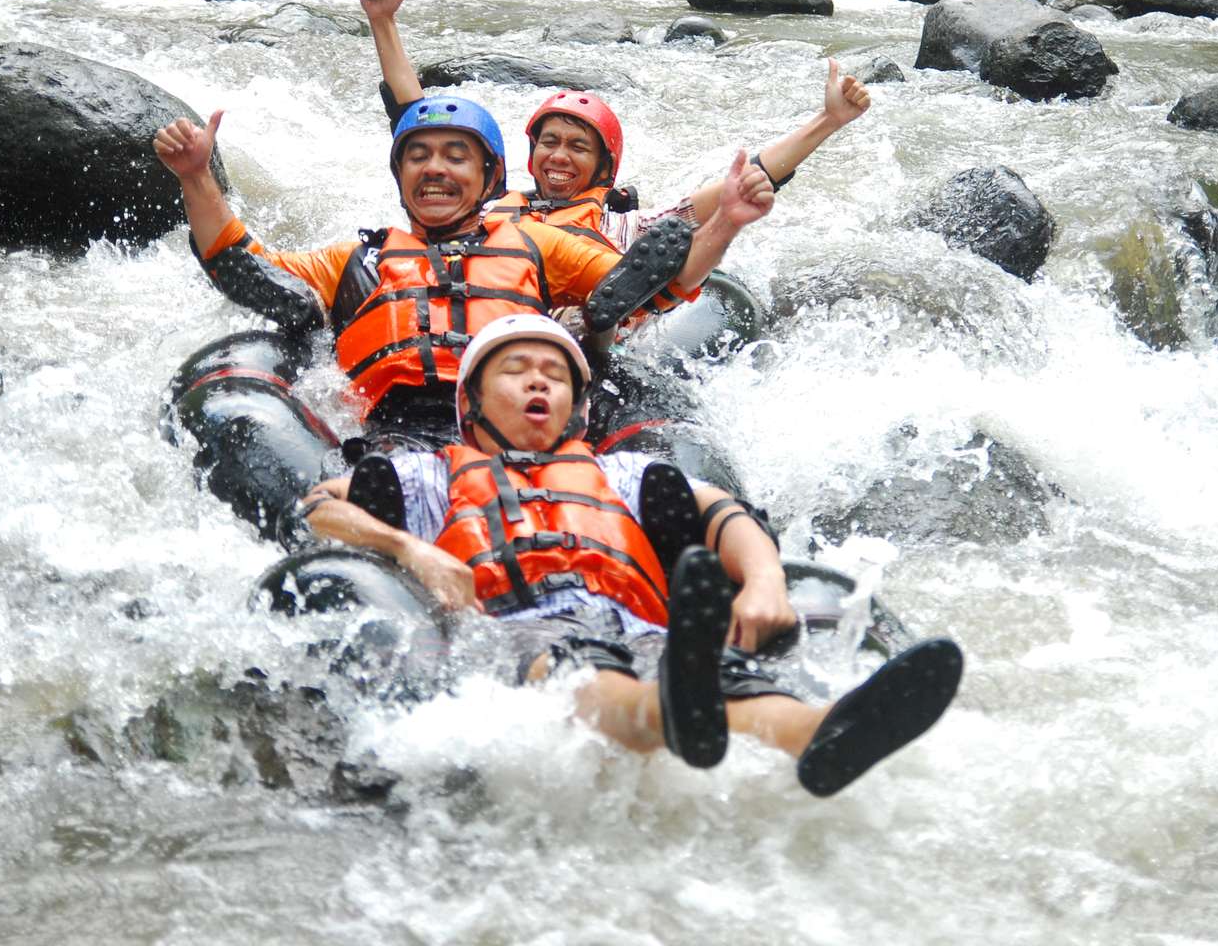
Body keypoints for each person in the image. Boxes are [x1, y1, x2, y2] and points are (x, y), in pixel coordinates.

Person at [287, 315, 964, 796]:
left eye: (554, 375)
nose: (539, 384)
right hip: (518, 627)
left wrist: (764, 584)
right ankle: (662, 714)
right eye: (517, 370)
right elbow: (323, 507)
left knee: (725, 673)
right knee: (586, 672)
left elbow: (727, 516)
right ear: (472, 403)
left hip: (641, 624)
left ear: (576, 410)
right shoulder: (428, 474)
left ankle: (817, 734)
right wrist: (411, 550)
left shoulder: (624, 473)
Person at [152, 97, 777, 446]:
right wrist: (196, 177)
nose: (436, 170)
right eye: (418, 157)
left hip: (517, 432)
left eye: (456, 157)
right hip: (393, 435)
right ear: (399, 177)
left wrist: (726, 222)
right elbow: (243, 268)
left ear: (488, 180)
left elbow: (649, 286)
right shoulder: (355, 259)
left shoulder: (537, 245)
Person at [355, 0, 874, 251]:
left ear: (604, 169)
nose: (559, 156)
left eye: (578, 146)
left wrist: (827, 121)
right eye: (550, 142)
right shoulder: (484, 206)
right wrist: (383, 23)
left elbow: (746, 181)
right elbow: (419, 123)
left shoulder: (632, 228)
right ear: (530, 157)